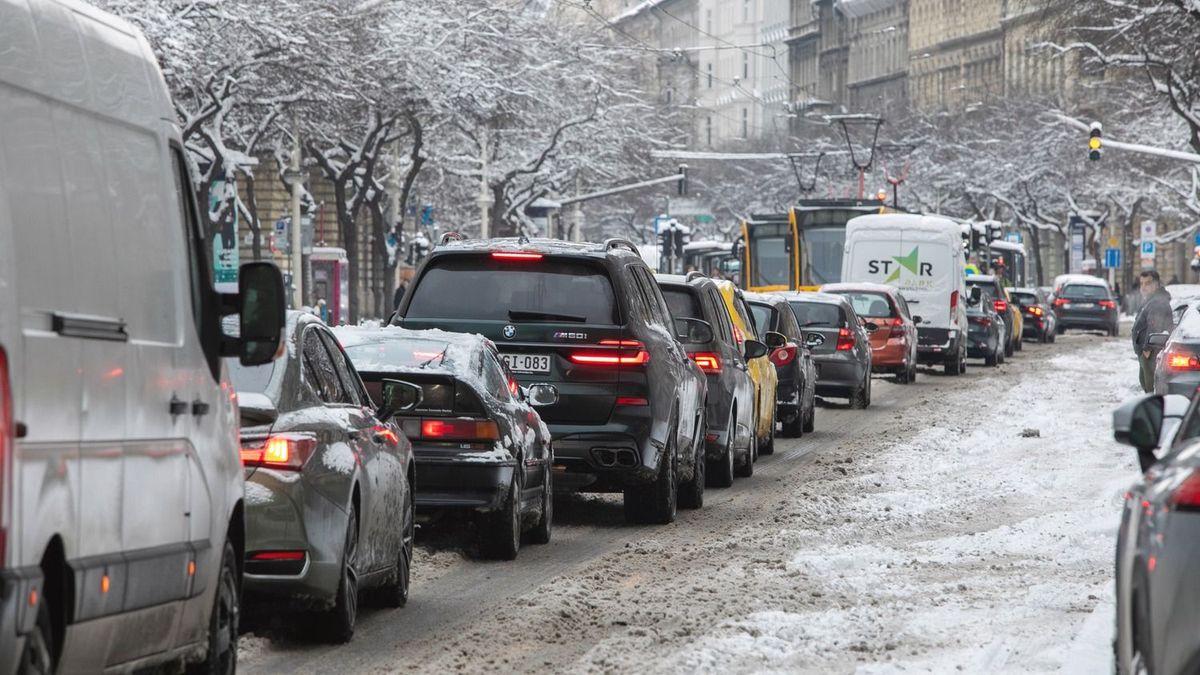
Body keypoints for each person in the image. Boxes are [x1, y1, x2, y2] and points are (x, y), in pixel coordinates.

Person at [1132, 269, 1174, 393]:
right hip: (1146, 351)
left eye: (1148, 283)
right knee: (1147, 386)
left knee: (1150, 389)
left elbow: (1154, 326)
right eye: (1142, 283)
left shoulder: (1158, 302)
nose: (1144, 287)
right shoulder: (1151, 300)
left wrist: (1147, 349)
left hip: (1151, 353)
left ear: (1156, 284)